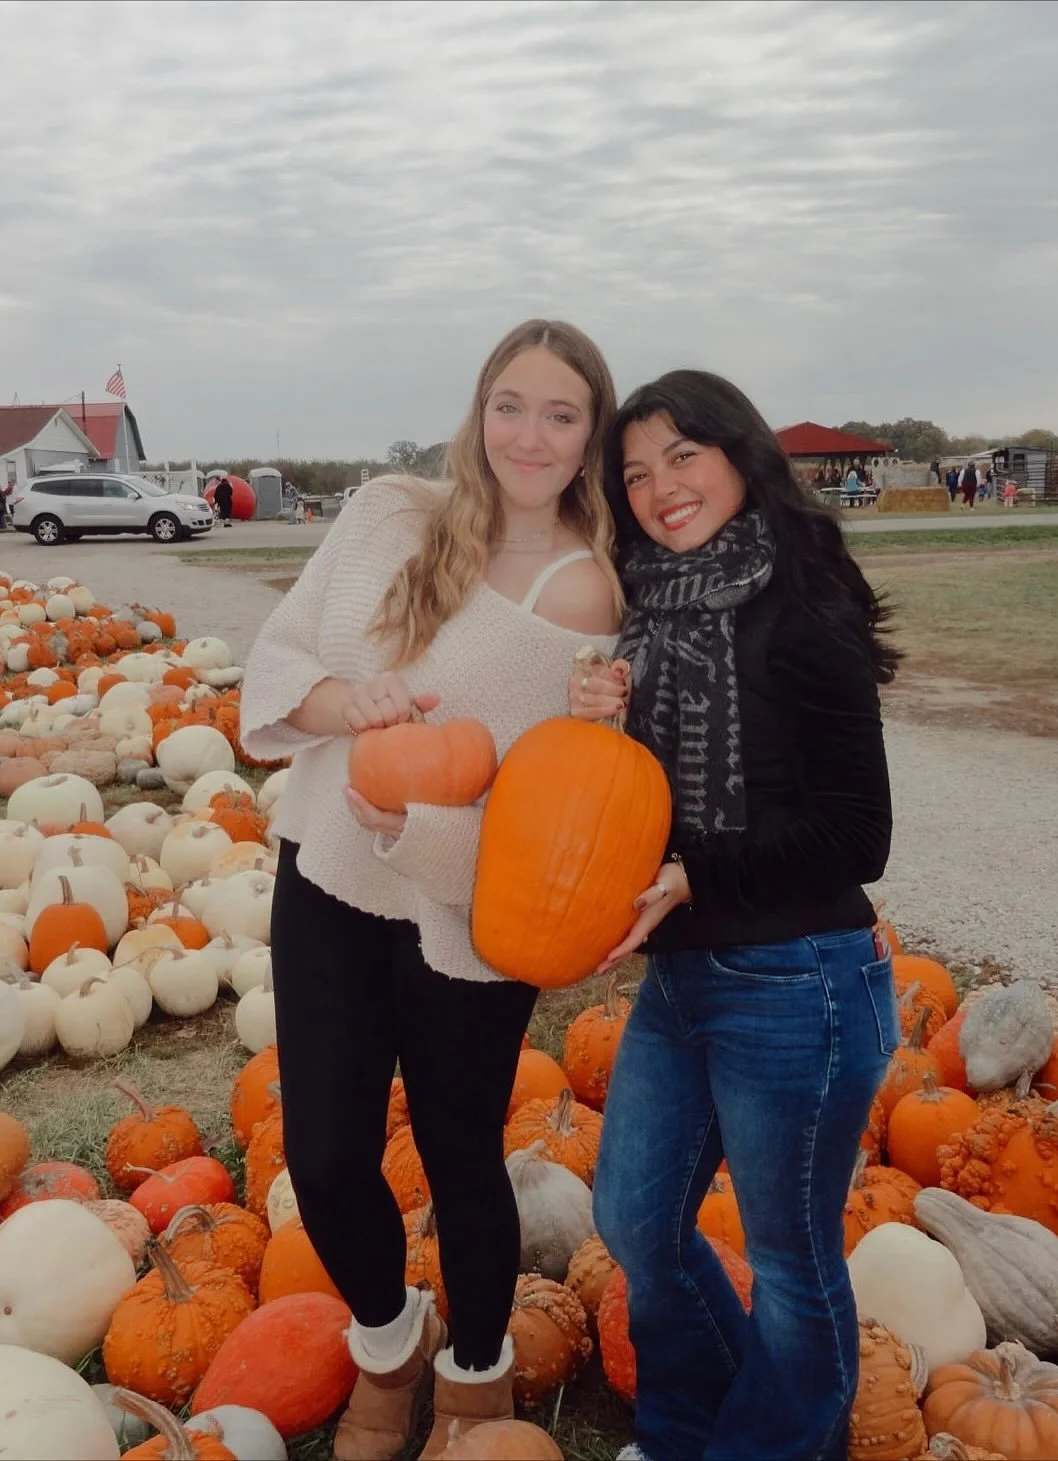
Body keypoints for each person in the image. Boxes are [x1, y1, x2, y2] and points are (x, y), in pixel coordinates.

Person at [240, 320, 621, 1461]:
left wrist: (419, 825)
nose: (530, 434)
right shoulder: (384, 517)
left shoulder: (583, 593)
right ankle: (386, 1341)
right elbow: (283, 653)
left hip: (468, 910)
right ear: (477, 409)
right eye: (511, 404)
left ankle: (473, 1376)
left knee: (461, 1157)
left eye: (561, 414)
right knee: (323, 1155)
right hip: (333, 875)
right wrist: (338, 710)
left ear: (590, 433)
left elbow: (546, 812)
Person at [570, 370, 900, 1461]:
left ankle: (761, 1445)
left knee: (794, 1263)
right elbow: (641, 815)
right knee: (634, 1223)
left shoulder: (802, 601)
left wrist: (696, 879)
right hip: (685, 975)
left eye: (681, 455)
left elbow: (860, 836)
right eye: (634, 471)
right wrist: (602, 729)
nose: (660, 487)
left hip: (799, 982)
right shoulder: (647, 613)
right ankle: (690, 1428)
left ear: (737, 453)